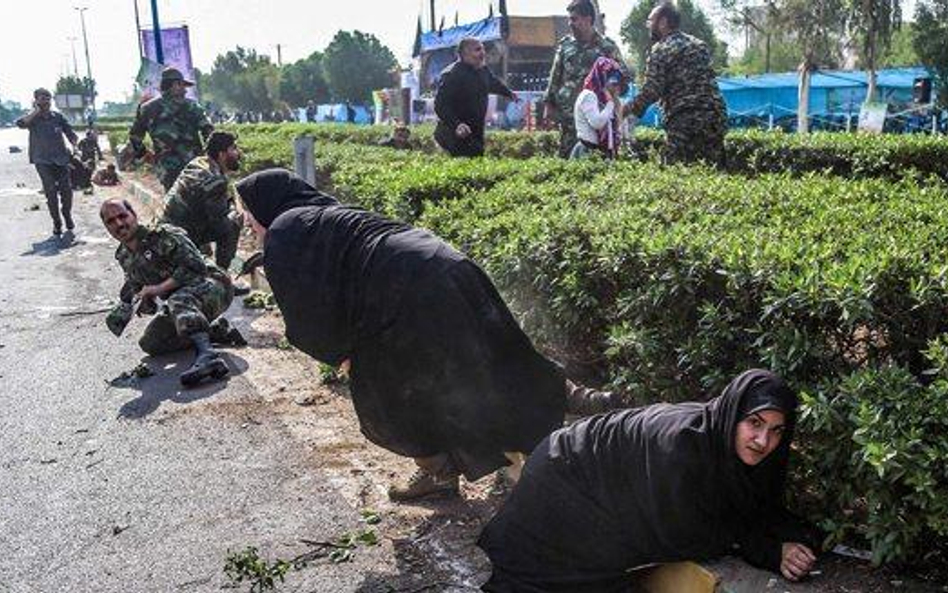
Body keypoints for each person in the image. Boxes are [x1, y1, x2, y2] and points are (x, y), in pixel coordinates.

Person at [234, 169, 567, 501]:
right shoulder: (327, 213)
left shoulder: (284, 230)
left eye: (248, 213)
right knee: (487, 363)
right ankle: (548, 451)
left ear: (265, 204)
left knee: (385, 397)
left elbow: (306, 314)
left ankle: (439, 472)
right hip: (449, 265)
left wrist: (343, 357)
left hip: (408, 290)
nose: (247, 222)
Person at [478, 369, 823, 592]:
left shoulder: (730, 446)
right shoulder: (683, 447)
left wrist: (790, 540)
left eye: (776, 430)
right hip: (565, 478)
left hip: (592, 483)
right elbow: (685, 534)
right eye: (755, 423)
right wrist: (766, 548)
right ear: (734, 415)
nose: (763, 441)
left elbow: (748, 506)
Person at [100, 198, 242, 386]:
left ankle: (208, 356)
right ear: (107, 227)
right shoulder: (124, 256)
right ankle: (215, 330)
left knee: (178, 298)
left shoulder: (162, 234)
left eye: (122, 216)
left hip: (214, 284)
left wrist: (158, 289)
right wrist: (143, 302)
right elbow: (140, 290)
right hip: (185, 300)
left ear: (133, 215)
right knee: (151, 343)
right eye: (111, 221)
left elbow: (195, 267)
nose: (119, 223)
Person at [623, 2, 728, 166]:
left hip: (686, 120)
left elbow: (652, 90)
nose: (648, 26)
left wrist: (627, 110)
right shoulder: (699, 45)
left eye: (650, 21)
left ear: (663, 22)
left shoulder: (661, 48)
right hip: (715, 117)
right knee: (713, 172)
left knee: (676, 172)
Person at [544, 0, 630, 159]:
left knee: (597, 164)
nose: (570, 23)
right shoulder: (566, 46)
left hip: (598, 123)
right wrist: (549, 106)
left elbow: (624, 76)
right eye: (569, 19)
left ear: (588, 19)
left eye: (574, 19)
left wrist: (612, 86)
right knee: (567, 163)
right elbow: (555, 77)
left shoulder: (607, 47)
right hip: (569, 120)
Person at [160, 131, 244, 273]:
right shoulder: (215, 180)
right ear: (222, 154)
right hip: (181, 238)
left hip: (165, 231)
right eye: (234, 148)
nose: (238, 153)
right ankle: (222, 276)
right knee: (234, 221)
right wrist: (240, 210)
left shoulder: (198, 162)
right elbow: (219, 221)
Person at [126, 68, 214, 190]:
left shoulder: (147, 109)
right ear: (175, 85)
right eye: (183, 86)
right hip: (194, 166)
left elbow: (135, 137)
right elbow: (209, 133)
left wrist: (145, 154)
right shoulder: (192, 106)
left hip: (166, 169)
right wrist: (211, 159)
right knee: (198, 201)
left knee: (173, 202)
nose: (185, 90)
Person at [434, 38, 517, 158]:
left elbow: (492, 83)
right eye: (477, 50)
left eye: (483, 49)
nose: (483, 53)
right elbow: (440, 105)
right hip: (454, 133)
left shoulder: (482, 70)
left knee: (477, 158)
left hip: (475, 131)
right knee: (461, 165)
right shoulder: (452, 74)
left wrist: (508, 93)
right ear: (465, 53)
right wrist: (457, 124)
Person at [16, 88, 78, 236]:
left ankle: (66, 214)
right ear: (36, 100)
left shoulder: (57, 117)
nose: (45, 101)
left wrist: (74, 144)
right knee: (50, 192)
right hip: (42, 160)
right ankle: (56, 222)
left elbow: (70, 133)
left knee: (67, 191)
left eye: (48, 98)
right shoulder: (32, 119)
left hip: (61, 159)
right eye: (42, 98)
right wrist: (35, 111)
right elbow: (21, 124)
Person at [570, 57, 627, 159]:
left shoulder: (606, 98)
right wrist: (610, 103)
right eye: (613, 84)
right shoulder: (589, 96)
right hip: (587, 152)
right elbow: (597, 123)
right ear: (601, 78)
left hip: (604, 152)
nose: (616, 88)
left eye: (618, 84)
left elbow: (619, 127)